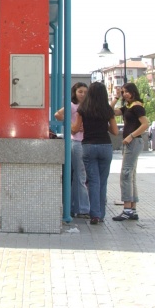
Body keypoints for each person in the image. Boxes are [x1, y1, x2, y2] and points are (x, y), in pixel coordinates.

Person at [75, 82, 119, 224]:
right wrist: (104, 125)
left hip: (88, 146)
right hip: (105, 146)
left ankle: (94, 214)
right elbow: (115, 131)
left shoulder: (83, 108)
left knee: (93, 181)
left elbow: (75, 129)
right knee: (102, 181)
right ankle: (101, 214)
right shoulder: (107, 110)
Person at [112, 83, 149, 222]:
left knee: (126, 174)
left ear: (133, 91)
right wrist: (116, 97)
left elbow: (145, 124)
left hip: (133, 142)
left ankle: (127, 209)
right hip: (132, 142)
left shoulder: (137, 106)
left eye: (127, 91)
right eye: (123, 92)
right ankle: (132, 209)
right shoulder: (128, 106)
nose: (125, 94)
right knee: (130, 174)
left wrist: (131, 136)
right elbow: (110, 112)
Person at [54, 82, 90, 219]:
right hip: (76, 141)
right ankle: (82, 208)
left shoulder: (88, 106)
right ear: (74, 92)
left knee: (78, 175)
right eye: (80, 91)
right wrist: (71, 125)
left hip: (84, 141)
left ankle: (75, 206)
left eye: (85, 92)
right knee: (80, 175)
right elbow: (57, 114)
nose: (82, 94)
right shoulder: (72, 105)